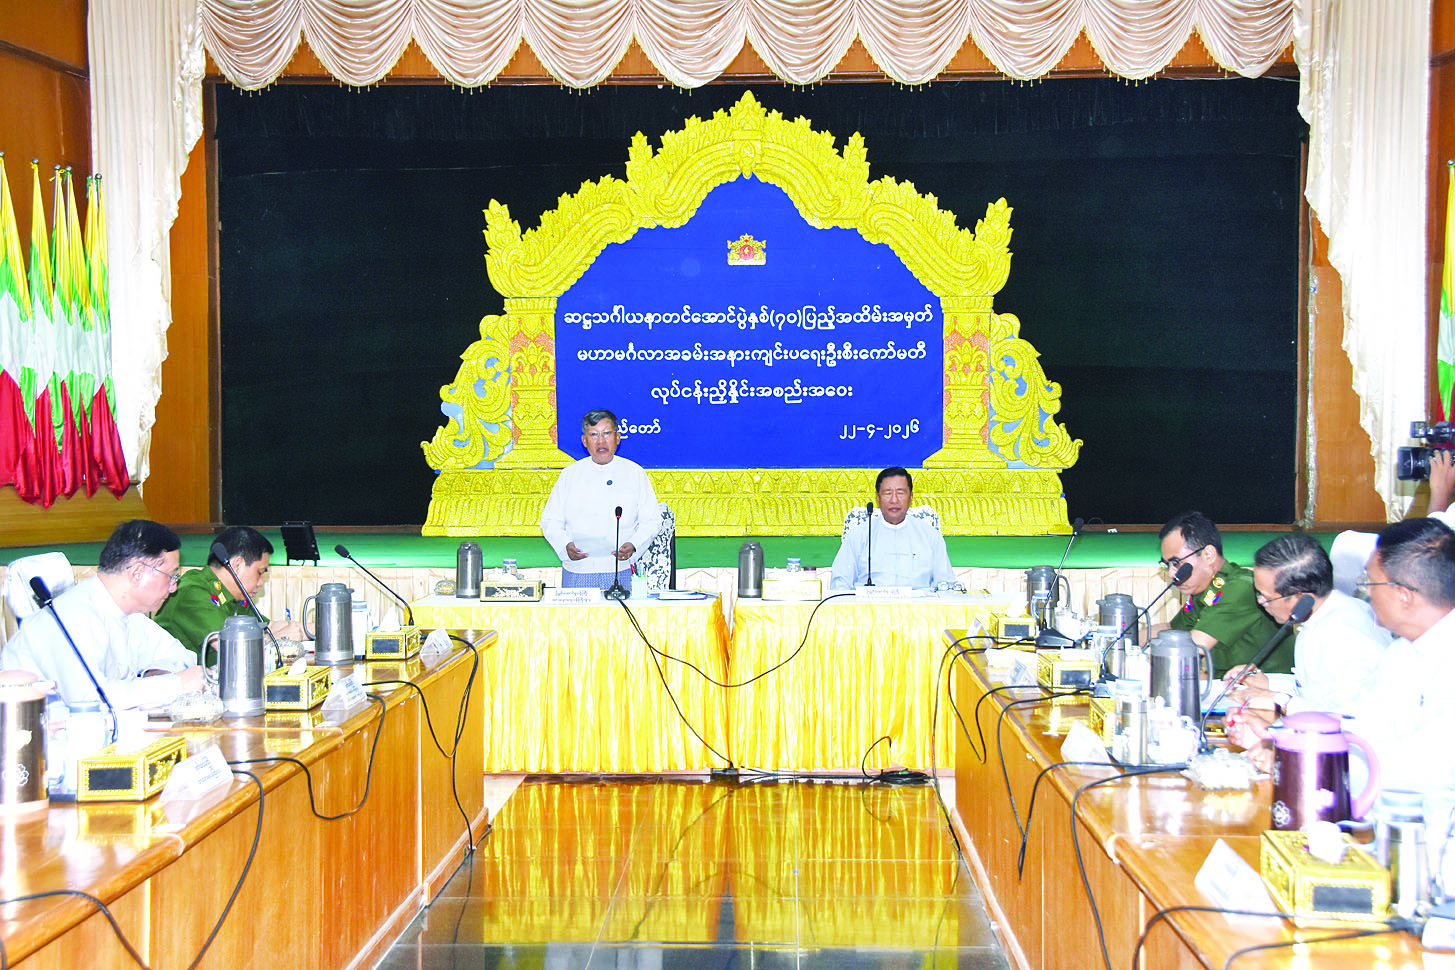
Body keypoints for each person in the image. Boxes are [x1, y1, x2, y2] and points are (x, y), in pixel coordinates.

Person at [1232, 518, 1455, 791]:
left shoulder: (1445, 661)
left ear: (1403, 595)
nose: (1366, 593)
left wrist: (1294, 757)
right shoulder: (1404, 651)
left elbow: (1424, 771)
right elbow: (1360, 723)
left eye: (1371, 583)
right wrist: (1278, 741)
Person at [1, 519, 203, 709]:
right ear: (137, 573)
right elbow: (89, 700)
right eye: (171, 576)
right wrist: (173, 685)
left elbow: (183, 657)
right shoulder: (71, 615)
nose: (173, 588)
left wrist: (155, 673)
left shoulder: (130, 615)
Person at [1223, 533, 1389, 714]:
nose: (1261, 602)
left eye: (1267, 598)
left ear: (1301, 599)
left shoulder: (1343, 636)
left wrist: (1280, 702)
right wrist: (1267, 683)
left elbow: (1349, 716)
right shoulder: (1321, 617)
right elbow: (1314, 690)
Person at [540, 408, 660, 593]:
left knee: (621, 613)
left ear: (618, 437)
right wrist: (566, 546)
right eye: (594, 435)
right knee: (578, 613)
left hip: (619, 569)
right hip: (578, 570)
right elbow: (550, 521)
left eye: (607, 434)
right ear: (584, 440)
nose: (601, 441)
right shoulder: (569, 475)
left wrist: (634, 545)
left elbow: (651, 521)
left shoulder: (634, 473)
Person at [1153, 511, 1285, 674]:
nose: (1171, 573)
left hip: (1268, 684)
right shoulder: (1203, 590)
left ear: (1208, 555)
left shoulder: (1239, 587)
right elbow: (1171, 629)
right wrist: (1127, 638)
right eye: (1166, 565)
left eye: (1176, 563)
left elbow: (1192, 648)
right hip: (1228, 684)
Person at [154, 526, 305, 657]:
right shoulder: (192, 592)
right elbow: (232, 649)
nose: (260, 583)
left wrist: (315, 629)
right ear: (237, 564)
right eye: (259, 573)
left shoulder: (234, 595)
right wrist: (279, 639)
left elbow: (268, 627)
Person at [830, 466, 955, 590]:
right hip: (869, 602)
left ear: (911, 497)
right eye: (887, 493)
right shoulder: (859, 535)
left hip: (919, 602)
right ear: (878, 497)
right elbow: (840, 582)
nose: (894, 500)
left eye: (900, 493)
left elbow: (945, 583)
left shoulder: (930, 536)